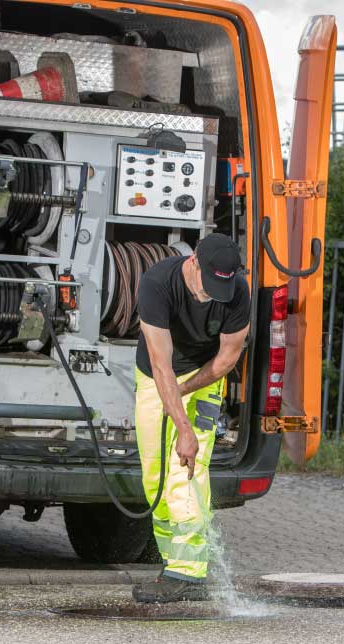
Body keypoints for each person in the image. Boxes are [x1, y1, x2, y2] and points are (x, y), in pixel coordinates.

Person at [131, 233, 251, 603]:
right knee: (156, 477)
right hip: (157, 378)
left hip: (204, 377)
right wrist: (179, 422)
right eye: (209, 284)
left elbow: (228, 358)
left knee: (186, 469)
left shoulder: (237, 293)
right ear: (193, 262)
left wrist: (188, 396)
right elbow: (160, 364)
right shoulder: (157, 284)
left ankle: (189, 572)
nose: (214, 294)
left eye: (223, 287)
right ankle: (174, 563)